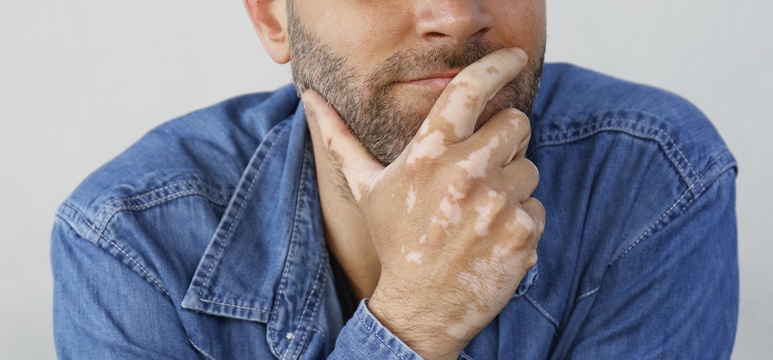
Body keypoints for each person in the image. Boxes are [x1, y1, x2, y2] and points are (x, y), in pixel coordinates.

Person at [51, 0, 739, 358]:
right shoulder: (129, 241)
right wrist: (414, 322)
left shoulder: (655, 177)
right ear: (271, 18)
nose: (456, 16)